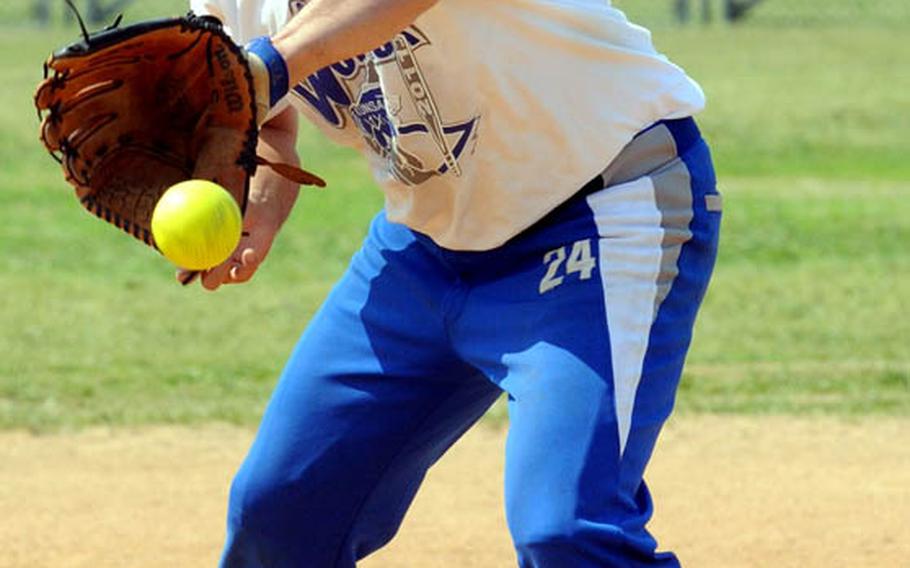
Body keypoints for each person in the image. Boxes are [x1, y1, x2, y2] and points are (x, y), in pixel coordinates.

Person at [188, 0, 722, 566]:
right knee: (279, 513)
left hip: (600, 210)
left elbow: (279, 63)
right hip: (427, 245)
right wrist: (261, 194)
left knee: (567, 530)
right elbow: (266, 115)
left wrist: (275, 61)